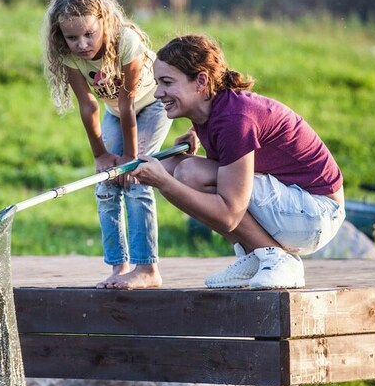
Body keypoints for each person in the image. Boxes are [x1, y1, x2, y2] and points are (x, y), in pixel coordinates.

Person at [131, 34, 345, 289]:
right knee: (173, 167)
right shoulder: (209, 110)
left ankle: (275, 258)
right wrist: (171, 168)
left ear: (201, 81)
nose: (158, 93)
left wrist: (164, 183)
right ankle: (255, 253)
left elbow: (229, 214)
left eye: (167, 82)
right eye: (157, 83)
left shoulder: (235, 117)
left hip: (317, 214)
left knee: (186, 173)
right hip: (294, 207)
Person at [43, 0, 172, 289]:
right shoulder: (69, 55)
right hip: (116, 112)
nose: (82, 44)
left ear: (103, 21)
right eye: (72, 38)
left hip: (153, 104)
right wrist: (101, 155)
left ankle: (147, 268)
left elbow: (128, 102)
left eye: (89, 34)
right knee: (105, 182)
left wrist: (128, 158)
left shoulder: (126, 40)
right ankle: (119, 266)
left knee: (135, 176)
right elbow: (88, 106)